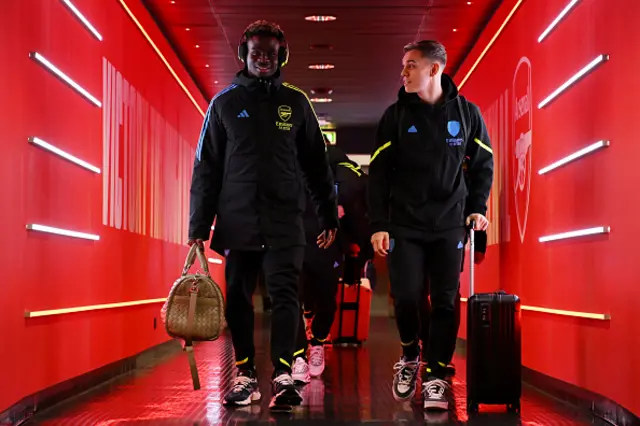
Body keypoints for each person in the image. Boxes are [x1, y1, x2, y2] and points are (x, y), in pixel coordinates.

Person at [187, 20, 338, 409]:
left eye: (271, 53)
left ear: (282, 56)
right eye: (257, 53)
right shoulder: (223, 103)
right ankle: (245, 373)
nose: (264, 60)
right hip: (237, 221)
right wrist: (198, 226)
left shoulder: (296, 103)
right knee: (238, 297)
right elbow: (206, 168)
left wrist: (327, 215)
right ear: (244, 55)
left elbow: (317, 165)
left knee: (286, 295)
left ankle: (284, 373)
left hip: (286, 220)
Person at [367, 40, 493, 411]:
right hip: (404, 225)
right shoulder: (394, 116)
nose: (403, 72)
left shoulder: (467, 114)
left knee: (445, 301)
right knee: (406, 296)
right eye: (404, 65)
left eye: (410, 65)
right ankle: (410, 355)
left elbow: (483, 165)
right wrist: (379, 223)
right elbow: (378, 176)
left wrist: (477, 208)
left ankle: (437, 374)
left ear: (434, 69)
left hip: (449, 225)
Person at [292, 140, 371, 383]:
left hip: (328, 242)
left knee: (325, 298)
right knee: (293, 297)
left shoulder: (339, 162)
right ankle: (298, 355)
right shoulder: (289, 157)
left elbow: (355, 196)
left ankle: (316, 342)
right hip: (295, 240)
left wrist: (358, 252)